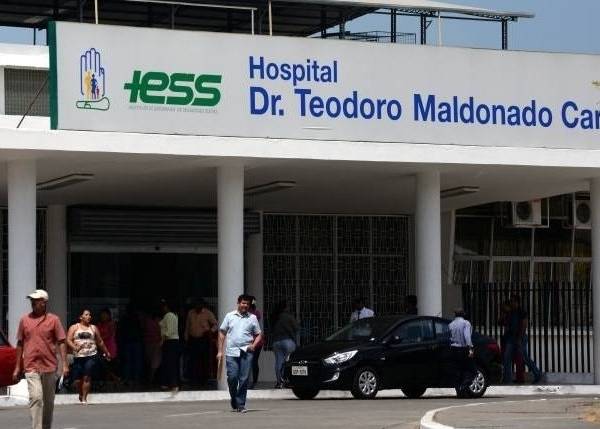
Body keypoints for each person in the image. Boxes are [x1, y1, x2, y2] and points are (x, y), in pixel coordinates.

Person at [12, 289, 69, 429]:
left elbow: (62, 341)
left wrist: (65, 364)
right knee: (36, 397)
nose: (33, 303)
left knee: (48, 401)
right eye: (32, 300)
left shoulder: (54, 320)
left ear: (44, 302)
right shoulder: (24, 320)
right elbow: (20, 343)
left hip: (49, 366)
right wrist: (17, 367)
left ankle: (46, 426)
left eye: (36, 300)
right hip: (31, 366)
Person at [218, 294, 263, 413]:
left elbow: (259, 334)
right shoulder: (229, 316)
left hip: (247, 352)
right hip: (231, 352)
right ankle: (234, 398)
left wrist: (254, 345)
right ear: (238, 303)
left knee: (244, 379)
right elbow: (222, 333)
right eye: (243, 303)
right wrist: (220, 351)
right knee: (232, 377)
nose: (245, 305)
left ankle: (241, 404)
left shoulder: (252, 318)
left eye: (247, 304)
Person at [66, 309, 111, 404]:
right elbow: (68, 340)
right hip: (78, 356)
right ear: (81, 317)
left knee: (87, 376)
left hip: (91, 355)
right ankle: (81, 393)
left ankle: (84, 398)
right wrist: (74, 347)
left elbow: (100, 341)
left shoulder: (93, 328)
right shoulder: (74, 327)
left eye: (90, 315)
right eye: (86, 315)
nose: (89, 316)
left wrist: (106, 352)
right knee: (77, 380)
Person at [503, 295, 542, 384]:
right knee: (507, 358)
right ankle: (507, 379)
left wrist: (519, 338)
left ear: (517, 302)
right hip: (511, 338)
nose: (511, 303)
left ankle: (537, 374)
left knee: (524, 358)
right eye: (511, 301)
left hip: (520, 338)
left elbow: (524, 325)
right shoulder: (511, 312)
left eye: (513, 301)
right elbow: (505, 323)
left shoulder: (521, 312)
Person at [184, 298, 217, 386]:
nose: (197, 306)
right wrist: (186, 338)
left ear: (202, 305)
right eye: (196, 304)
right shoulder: (190, 313)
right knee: (193, 360)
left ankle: (204, 380)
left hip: (203, 339)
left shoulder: (208, 313)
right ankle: (193, 379)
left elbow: (215, 324)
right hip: (192, 339)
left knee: (204, 359)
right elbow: (187, 326)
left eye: (199, 304)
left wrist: (210, 331)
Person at [270, 300, 299, 388]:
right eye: (288, 306)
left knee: (279, 362)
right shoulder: (289, 316)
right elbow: (296, 328)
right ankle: (289, 381)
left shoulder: (274, 317)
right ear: (286, 307)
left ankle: (280, 382)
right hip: (288, 341)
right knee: (289, 362)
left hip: (276, 342)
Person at [447, 308, 476, 396]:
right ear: (463, 314)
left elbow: (449, 338)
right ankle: (463, 386)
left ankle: (459, 391)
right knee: (472, 370)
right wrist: (470, 348)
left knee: (457, 371)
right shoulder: (466, 323)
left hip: (453, 349)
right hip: (463, 349)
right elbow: (467, 336)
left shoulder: (451, 324)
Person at [159, 299, 180, 393]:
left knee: (169, 363)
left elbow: (169, 331)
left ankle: (173, 384)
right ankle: (168, 383)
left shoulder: (168, 315)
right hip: (173, 342)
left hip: (170, 341)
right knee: (170, 362)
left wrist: (162, 340)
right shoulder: (175, 315)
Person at [142, 309, 162, 385]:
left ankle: (150, 379)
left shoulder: (147, 320)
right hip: (152, 343)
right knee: (152, 362)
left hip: (152, 343)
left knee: (152, 362)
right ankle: (151, 379)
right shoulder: (150, 320)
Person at [248, 297, 263, 389]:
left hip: (252, 341)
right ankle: (254, 382)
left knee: (250, 362)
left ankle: (252, 382)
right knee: (254, 362)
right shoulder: (256, 312)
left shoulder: (249, 314)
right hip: (257, 341)